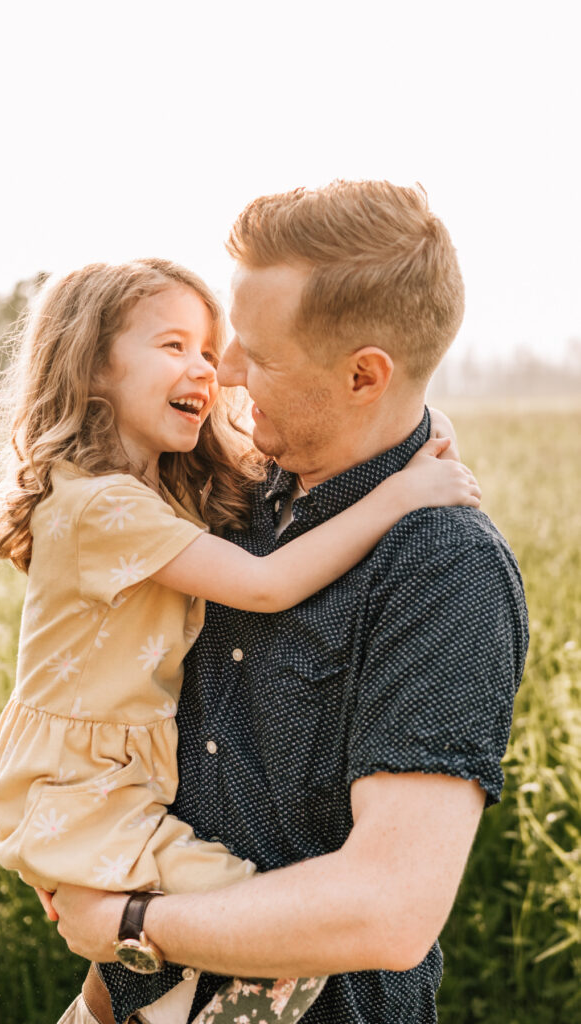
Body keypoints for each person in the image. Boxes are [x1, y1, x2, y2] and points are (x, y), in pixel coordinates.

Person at [47, 181, 528, 1024]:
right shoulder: (229, 491)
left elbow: (389, 908)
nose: (224, 372)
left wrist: (131, 925)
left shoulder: (443, 571)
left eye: (258, 358)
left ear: (362, 375)